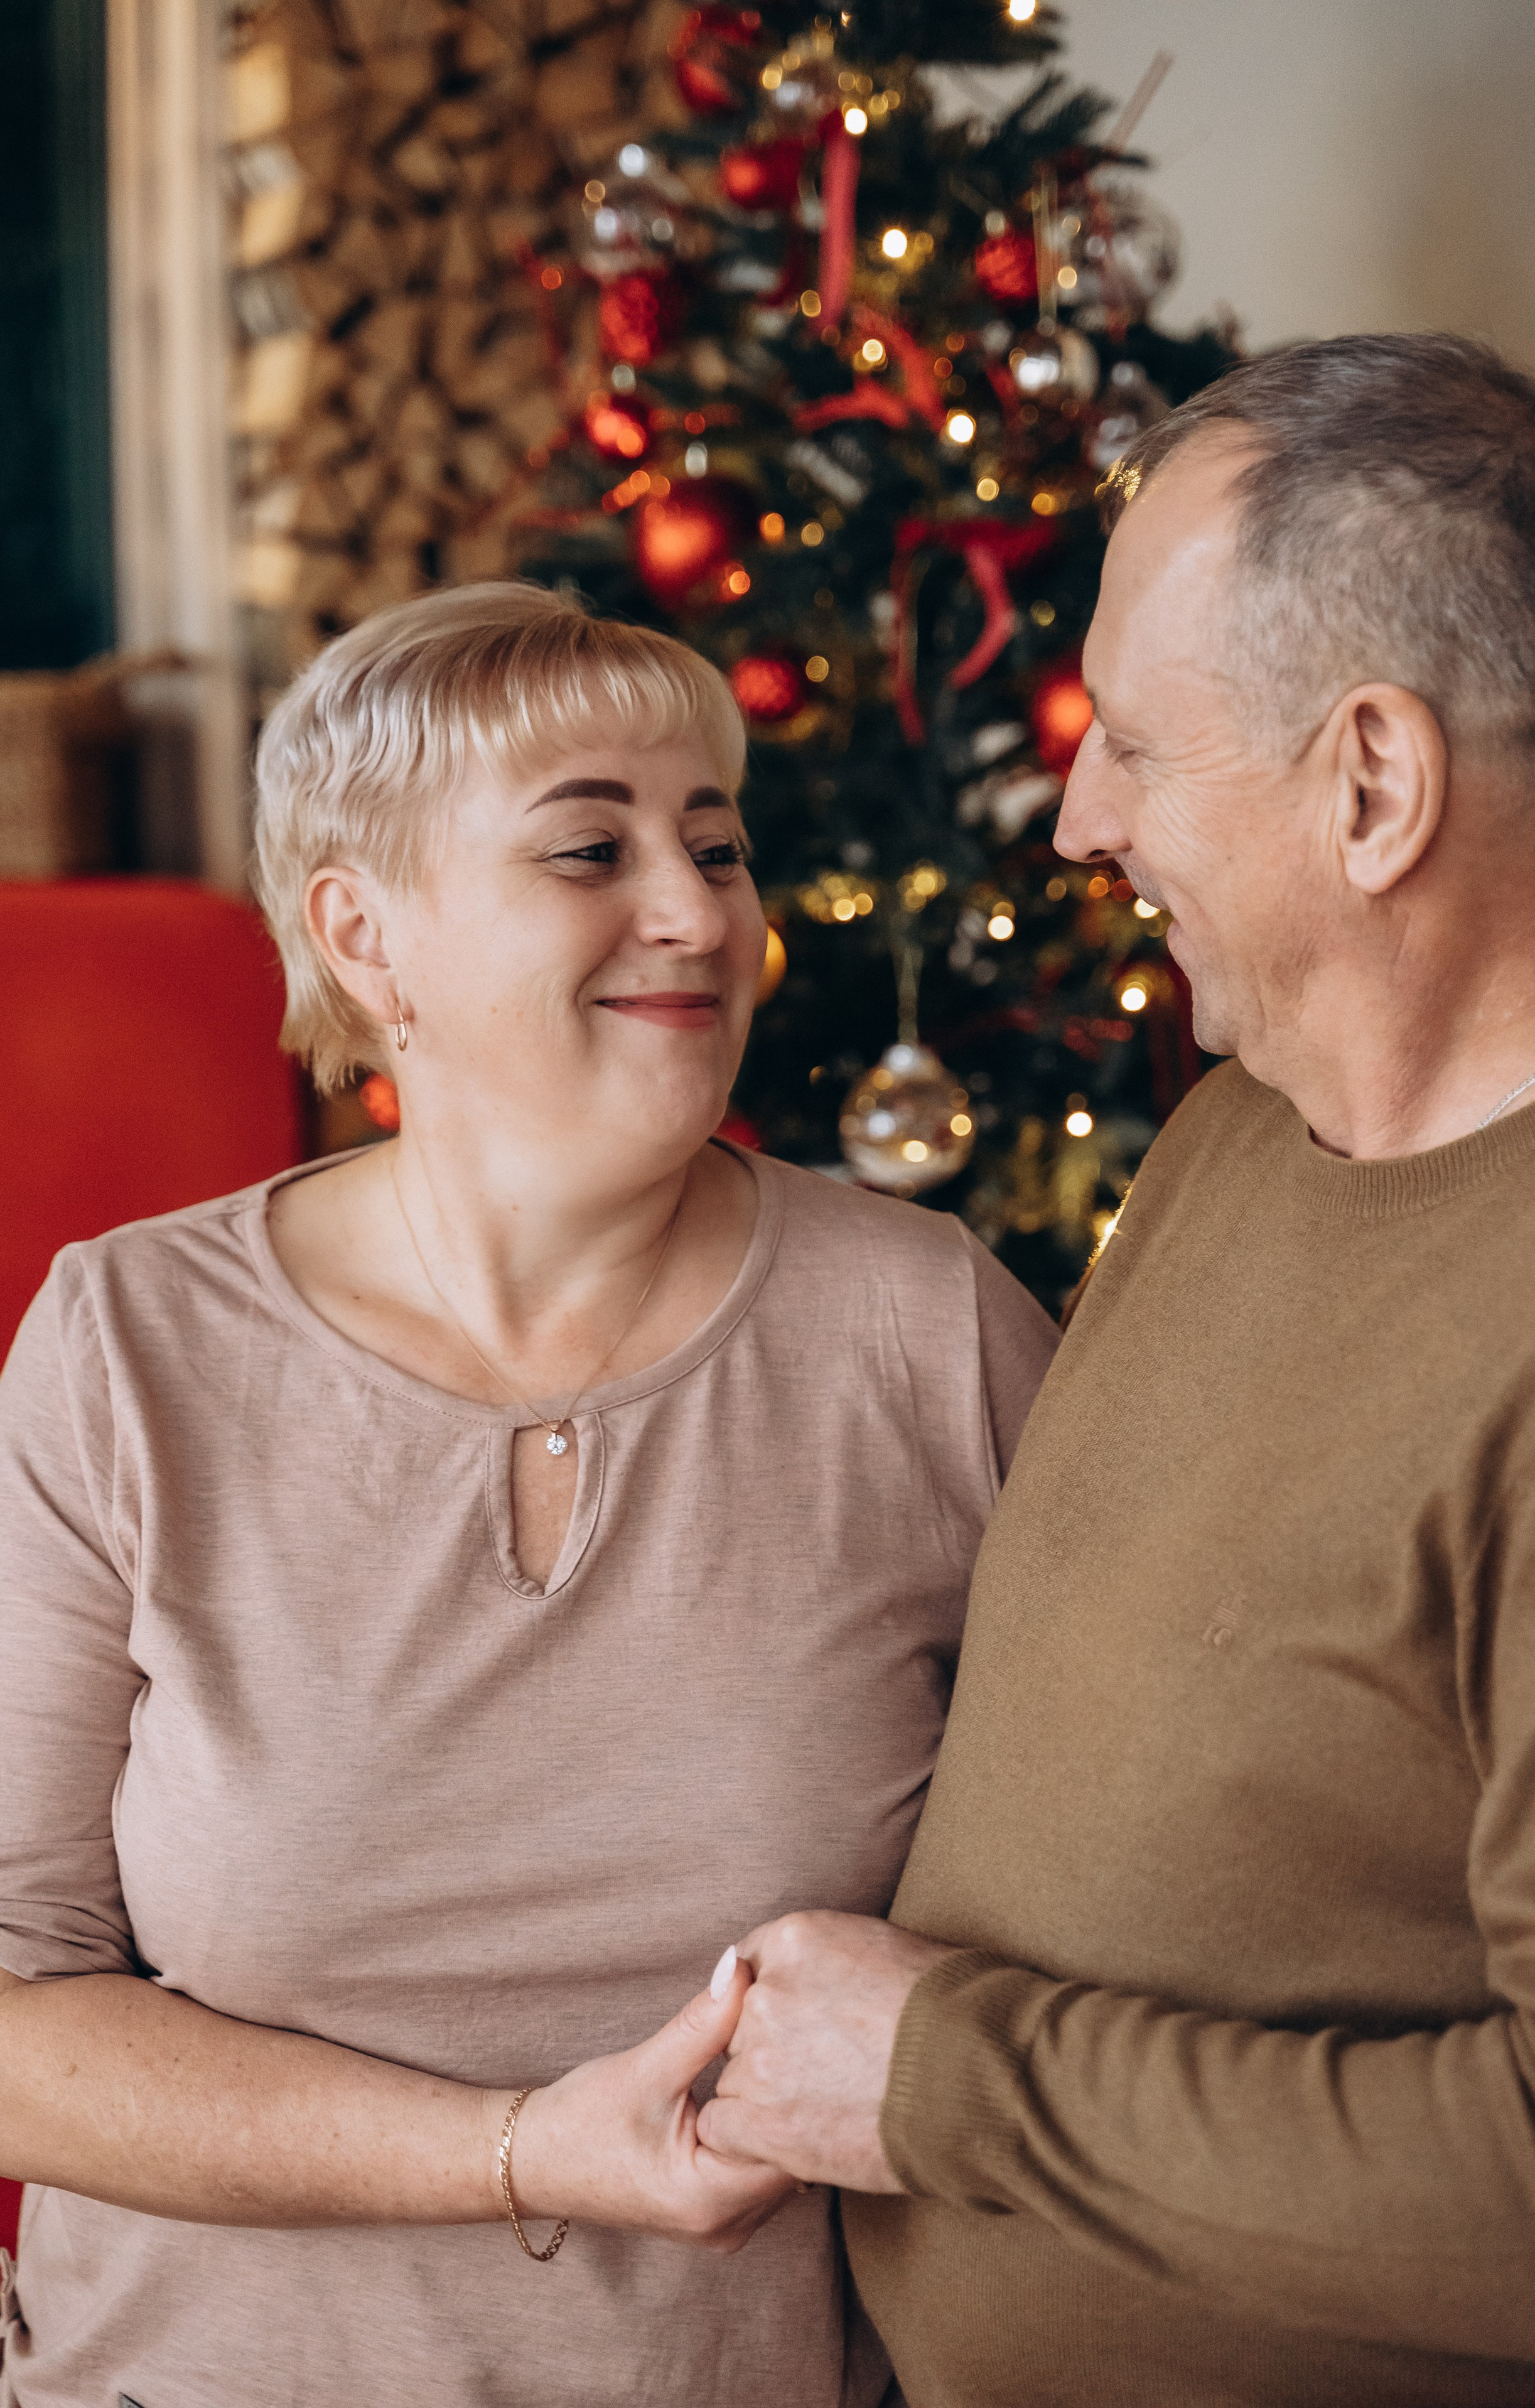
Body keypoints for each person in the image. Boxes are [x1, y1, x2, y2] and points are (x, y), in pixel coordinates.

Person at [0, 584, 1058, 2407]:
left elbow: (1110, 1918)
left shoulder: (928, 1330)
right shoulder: (128, 1345)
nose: (698, 912)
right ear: (364, 935)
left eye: (718, 845)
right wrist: (522, 2150)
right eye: (591, 850)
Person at [696, 332, 1535, 2407]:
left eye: (1137, 748)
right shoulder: (1235, 1135)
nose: (1081, 823)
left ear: (1372, 786)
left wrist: (938, 2080)